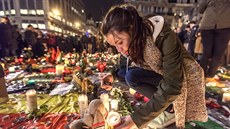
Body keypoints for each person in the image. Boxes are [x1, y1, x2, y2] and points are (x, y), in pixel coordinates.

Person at [100, 4, 208, 129]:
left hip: (183, 75)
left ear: (131, 29)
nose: (119, 50)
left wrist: (137, 119)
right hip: (158, 70)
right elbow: (124, 63)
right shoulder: (134, 40)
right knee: (125, 75)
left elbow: (173, 84)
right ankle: (164, 103)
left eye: (120, 43)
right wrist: (112, 75)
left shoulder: (164, 36)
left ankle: (171, 107)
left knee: (132, 77)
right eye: (115, 46)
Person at [199, 0, 230, 77]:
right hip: (224, 25)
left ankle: (200, 76)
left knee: (206, 52)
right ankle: (211, 75)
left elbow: (201, 9)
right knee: (218, 53)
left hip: (207, 24)